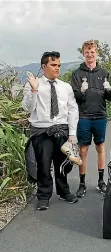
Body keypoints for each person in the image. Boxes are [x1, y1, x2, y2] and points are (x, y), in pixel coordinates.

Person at [22, 51, 79, 210]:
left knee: (62, 164)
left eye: (59, 65)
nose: (57, 68)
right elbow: (27, 108)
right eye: (53, 65)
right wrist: (34, 90)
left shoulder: (65, 87)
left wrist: (73, 133)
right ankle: (44, 196)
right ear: (44, 66)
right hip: (42, 131)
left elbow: (73, 109)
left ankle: (64, 192)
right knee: (43, 164)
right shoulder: (34, 83)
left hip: (61, 130)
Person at [71, 40, 111, 198]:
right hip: (84, 117)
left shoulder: (104, 73)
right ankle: (82, 184)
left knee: (100, 148)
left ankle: (101, 181)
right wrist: (82, 92)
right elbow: (74, 97)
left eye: (93, 52)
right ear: (83, 53)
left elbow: (110, 97)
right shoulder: (77, 74)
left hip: (100, 116)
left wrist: (108, 89)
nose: (90, 54)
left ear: (97, 53)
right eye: (87, 52)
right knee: (83, 150)